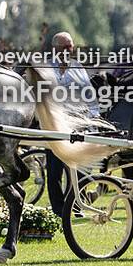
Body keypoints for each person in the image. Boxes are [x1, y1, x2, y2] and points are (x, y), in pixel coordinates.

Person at [45, 31, 100, 218]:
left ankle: (77, 204)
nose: (69, 50)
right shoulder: (45, 69)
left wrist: (95, 116)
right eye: (64, 47)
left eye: (70, 46)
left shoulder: (78, 68)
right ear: (55, 49)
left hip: (77, 122)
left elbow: (89, 95)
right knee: (54, 171)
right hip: (54, 124)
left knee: (81, 168)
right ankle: (59, 211)